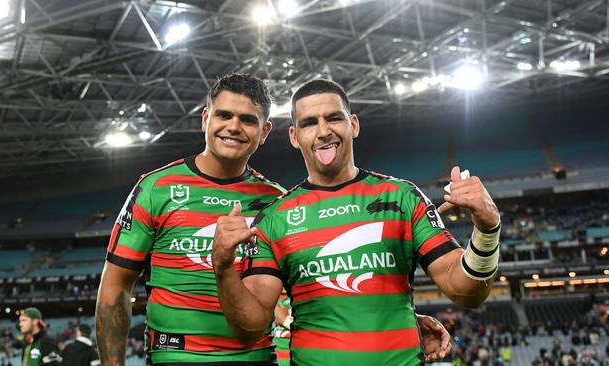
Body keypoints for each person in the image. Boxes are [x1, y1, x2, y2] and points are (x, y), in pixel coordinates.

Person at [95, 73, 451, 366]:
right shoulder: (156, 188)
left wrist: (397, 320)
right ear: (205, 119)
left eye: (248, 120)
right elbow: (115, 286)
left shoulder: (279, 203)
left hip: (257, 358)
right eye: (224, 115)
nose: (234, 127)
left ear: (264, 132)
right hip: (177, 355)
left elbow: (313, 283)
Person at [212, 78, 500, 365]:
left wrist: (487, 229)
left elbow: (465, 291)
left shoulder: (403, 198)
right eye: (310, 122)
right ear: (294, 136)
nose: (324, 131)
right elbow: (250, 328)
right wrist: (223, 266)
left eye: (333, 118)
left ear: (354, 124)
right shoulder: (274, 220)